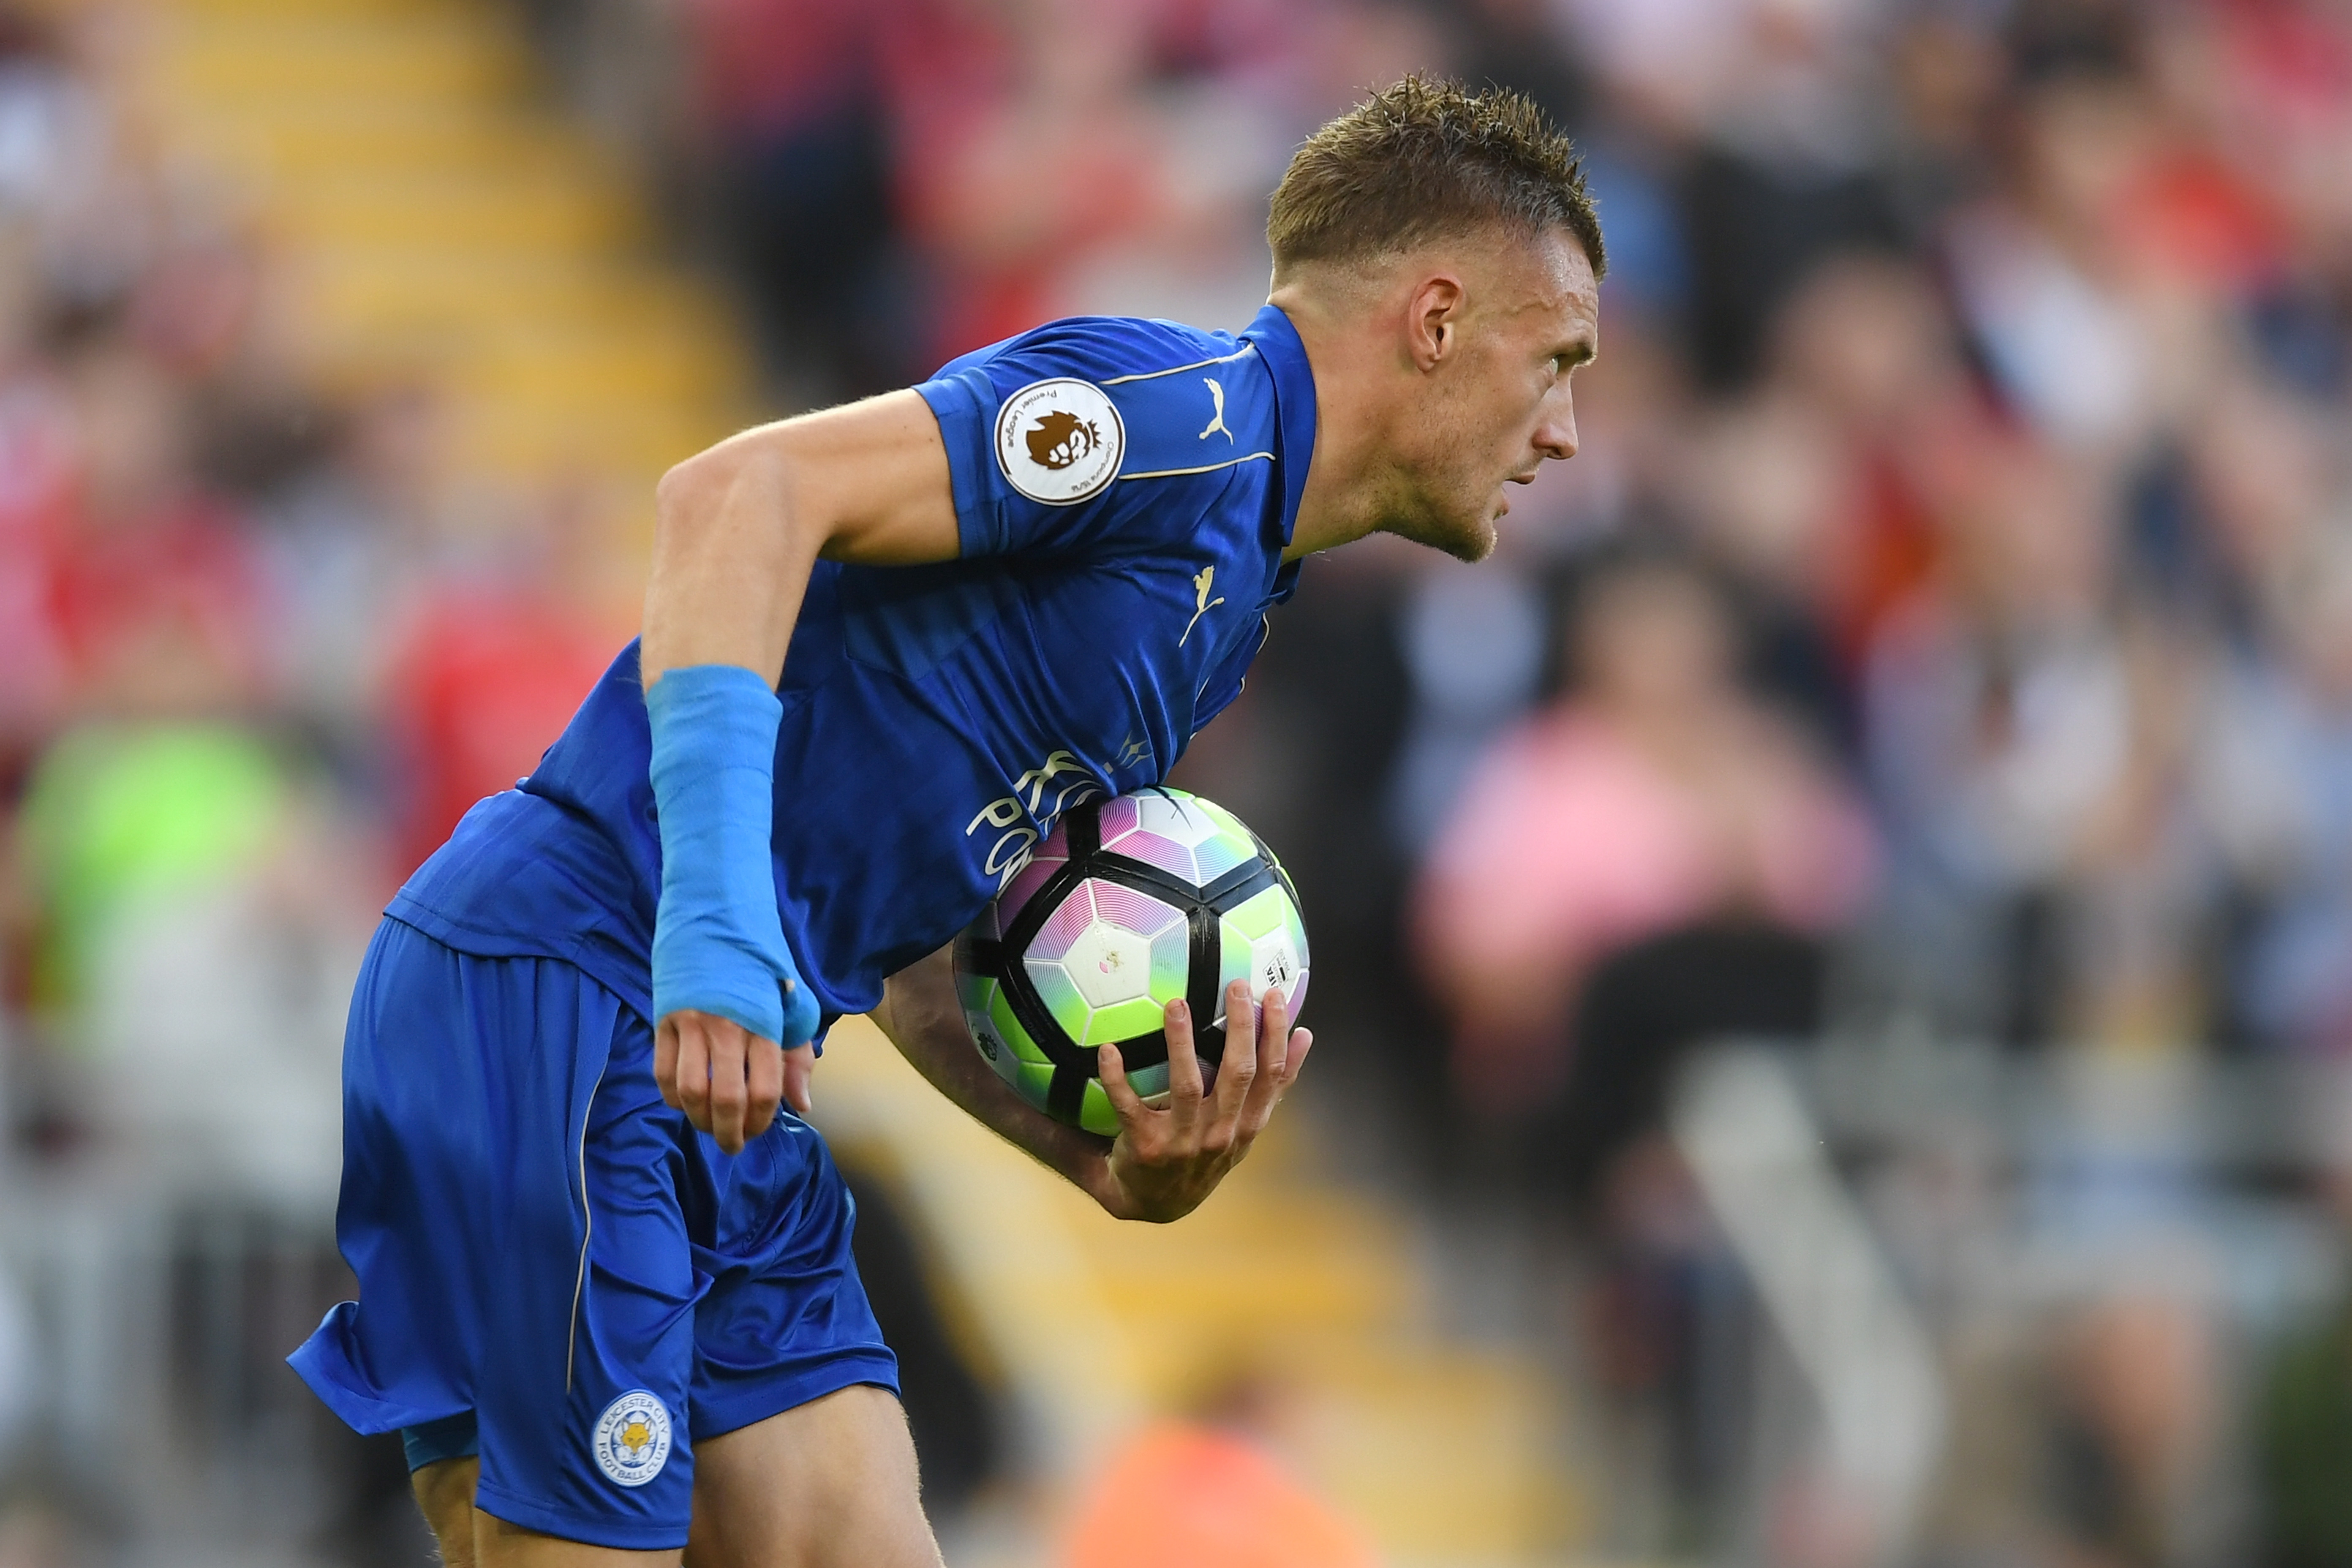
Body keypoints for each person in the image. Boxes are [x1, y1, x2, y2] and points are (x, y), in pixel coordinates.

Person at [288, 75, 1605, 1566]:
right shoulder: (1169, 423)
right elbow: (740, 496)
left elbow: (925, 950)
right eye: (1554, 361)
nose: (1563, 431)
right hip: (562, 985)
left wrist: (1091, 1157)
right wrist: (715, 928)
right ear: (1436, 322)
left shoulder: (1229, 594)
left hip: (731, 1070)